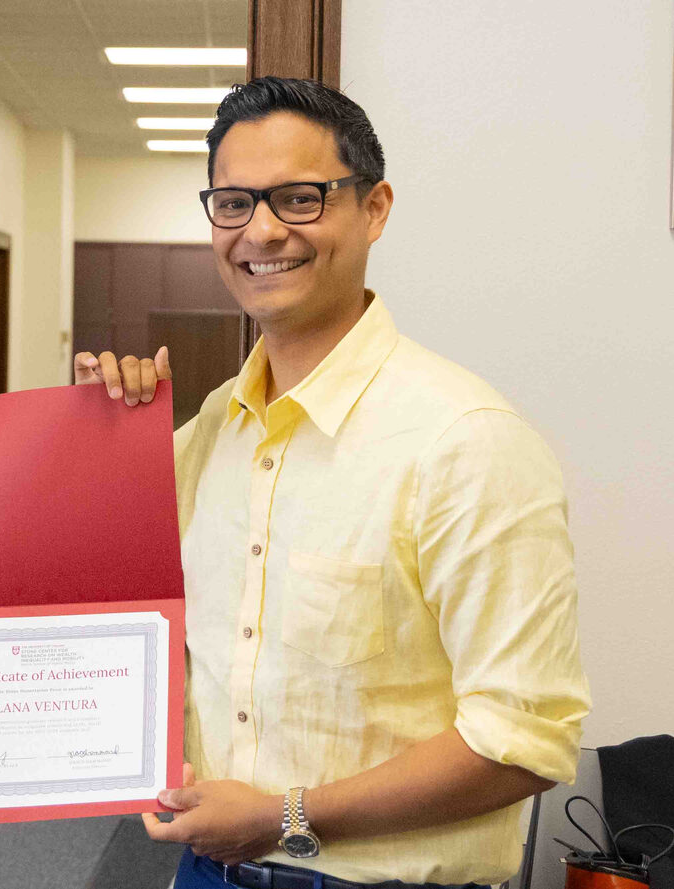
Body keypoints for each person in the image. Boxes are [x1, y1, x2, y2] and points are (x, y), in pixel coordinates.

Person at [75, 77, 590, 889]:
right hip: (204, 873)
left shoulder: (465, 442)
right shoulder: (206, 434)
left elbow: (521, 741)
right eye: (234, 202)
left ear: (374, 208)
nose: (263, 231)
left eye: (300, 197)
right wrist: (95, 437)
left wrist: (285, 813)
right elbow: (112, 618)